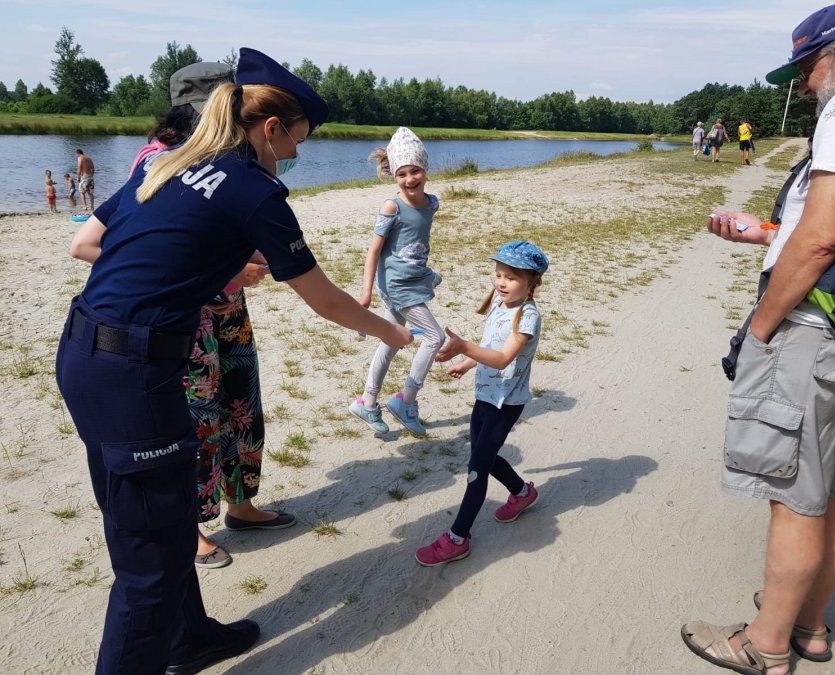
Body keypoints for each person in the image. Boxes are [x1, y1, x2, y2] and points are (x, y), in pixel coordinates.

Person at [58, 47, 413, 675]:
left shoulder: (172, 161)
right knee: (147, 562)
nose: (297, 155)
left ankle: (186, 638)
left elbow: (110, 243)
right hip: (132, 375)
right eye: (295, 140)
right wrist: (391, 332)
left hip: (88, 352)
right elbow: (325, 299)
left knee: (159, 525)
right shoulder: (255, 189)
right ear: (269, 128)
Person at [681, 5, 835, 675]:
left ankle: (765, 642)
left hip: (821, 332)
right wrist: (769, 233)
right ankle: (808, 625)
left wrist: (760, 327)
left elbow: (826, 235)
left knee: (795, 493)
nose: (805, 86)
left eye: (808, 68)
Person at [124, 62, 285, 571]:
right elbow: (143, 247)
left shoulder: (222, 157)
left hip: (228, 306)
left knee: (240, 399)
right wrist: (235, 262)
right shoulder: (158, 159)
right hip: (186, 315)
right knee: (198, 416)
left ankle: (240, 505)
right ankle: (189, 528)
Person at [415, 240, 549, 566]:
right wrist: (469, 363)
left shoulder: (527, 317)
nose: (502, 282)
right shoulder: (499, 306)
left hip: (506, 403)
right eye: (499, 274)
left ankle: (457, 538)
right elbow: (491, 346)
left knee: (476, 468)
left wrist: (463, 347)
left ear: (532, 283)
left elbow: (503, 358)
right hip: (484, 396)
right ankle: (521, 492)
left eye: (512, 277)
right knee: (482, 457)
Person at [348, 127, 445, 437]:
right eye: (402, 173)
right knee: (434, 337)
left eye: (415, 171)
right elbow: (374, 250)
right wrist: (366, 294)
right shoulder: (392, 207)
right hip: (399, 287)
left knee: (390, 342)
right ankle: (406, 401)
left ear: (425, 170)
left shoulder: (431, 204)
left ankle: (368, 401)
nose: (409, 179)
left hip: (413, 281)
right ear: (394, 176)